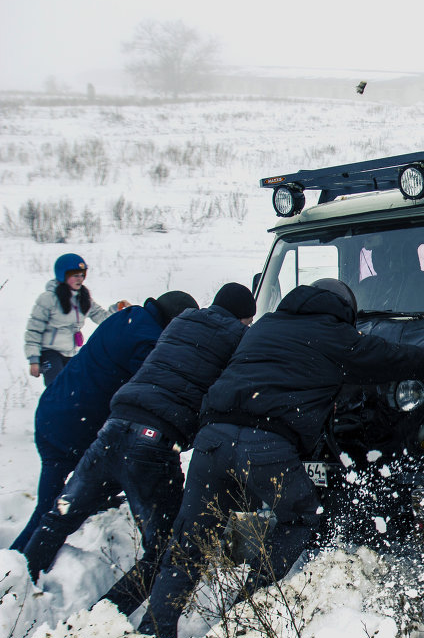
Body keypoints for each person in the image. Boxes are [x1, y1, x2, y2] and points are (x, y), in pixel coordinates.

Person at [138, 278, 424, 638]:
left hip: (212, 439)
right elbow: (386, 358)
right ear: (344, 310)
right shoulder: (334, 335)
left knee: (192, 536)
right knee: (303, 516)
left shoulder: (265, 325)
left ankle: (154, 630)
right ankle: (246, 607)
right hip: (265, 444)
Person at [20, 284, 257, 615]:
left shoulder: (179, 323)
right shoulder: (239, 337)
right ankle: (102, 619)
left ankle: (12, 596)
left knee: (58, 517)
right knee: (166, 549)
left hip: (111, 429)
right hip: (153, 445)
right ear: (244, 318)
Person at [10, 291, 199, 553]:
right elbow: (153, 394)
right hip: (74, 426)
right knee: (53, 508)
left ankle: (24, 561)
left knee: (59, 502)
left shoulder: (128, 317)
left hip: (52, 409)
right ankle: (15, 568)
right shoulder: (148, 340)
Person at [24, 253, 130, 386]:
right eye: (75, 275)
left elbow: (102, 317)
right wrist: (33, 360)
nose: (80, 279)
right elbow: (34, 330)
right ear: (63, 275)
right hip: (50, 352)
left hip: (71, 352)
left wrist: (117, 308)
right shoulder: (48, 299)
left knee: (74, 389)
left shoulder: (83, 298)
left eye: (82, 275)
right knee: (56, 388)